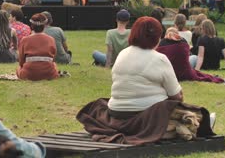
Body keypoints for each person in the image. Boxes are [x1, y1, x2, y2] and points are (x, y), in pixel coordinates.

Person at [76, 17, 215, 145]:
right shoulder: (159, 59)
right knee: (178, 109)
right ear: (157, 38)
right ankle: (195, 123)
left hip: (117, 113)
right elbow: (177, 96)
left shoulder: (123, 54)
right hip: (147, 115)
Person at [157, 27, 224, 83]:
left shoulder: (161, 43)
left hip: (168, 73)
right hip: (184, 72)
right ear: (177, 34)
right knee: (193, 58)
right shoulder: (183, 41)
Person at [17, 13, 59, 81]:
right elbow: (53, 58)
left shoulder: (25, 40)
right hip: (49, 74)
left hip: (28, 74)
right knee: (54, 64)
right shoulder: (51, 39)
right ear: (44, 25)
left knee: (18, 68)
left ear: (32, 26)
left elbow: (21, 62)